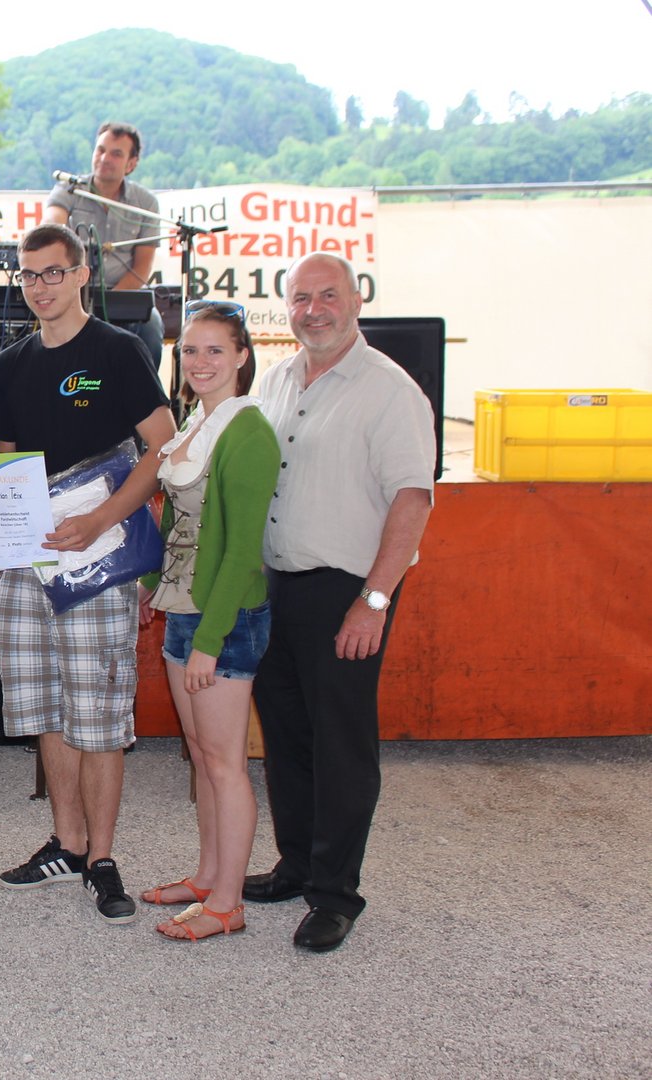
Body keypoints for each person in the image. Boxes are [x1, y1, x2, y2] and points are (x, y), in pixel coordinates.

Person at [0, 223, 175, 922]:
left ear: (82, 274)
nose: (40, 287)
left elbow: (163, 446)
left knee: (99, 714)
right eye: (29, 275)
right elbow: (5, 458)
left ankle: (103, 858)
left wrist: (104, 516)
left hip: (99, 555)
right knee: (45, 707)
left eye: (53, 272)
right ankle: (68, 843)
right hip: (29, 560)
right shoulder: (11, 362)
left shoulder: (118, 350)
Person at [243, 252, 435, 953]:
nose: (313, 310)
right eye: (301, 298)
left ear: (356, 301)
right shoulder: (276, 379)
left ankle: (335, 893)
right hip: (276, 586)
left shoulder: (390, 391)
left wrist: (374, 600)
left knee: (341, 744)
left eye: (328, 296)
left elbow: (412, 501)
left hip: (345, 591)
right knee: (287, 737)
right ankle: (296, 865)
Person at [135, 301, 278, 942]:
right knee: (202, 756)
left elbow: (243, 551)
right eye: (190, 350)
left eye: (215, 350)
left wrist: (210, 643)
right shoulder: (197, 421)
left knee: (224, 764)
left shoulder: (248, 432)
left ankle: (228, 903)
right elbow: (177, 519)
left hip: (225, 616)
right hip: (185, 608)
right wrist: (152, 585)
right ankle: (208, 876)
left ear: (242, 356)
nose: (200, 361)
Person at [43, 121, 165, 373]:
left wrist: (110, 304)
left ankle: (144, 392)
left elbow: (142, 267)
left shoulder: (146, 202)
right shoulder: (69, 189)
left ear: (131, 164)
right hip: (74, 292)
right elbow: (51, 229)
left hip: (123, 294)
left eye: (116, 154)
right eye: (100, 150)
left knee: (151, 325)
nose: (105, 158)